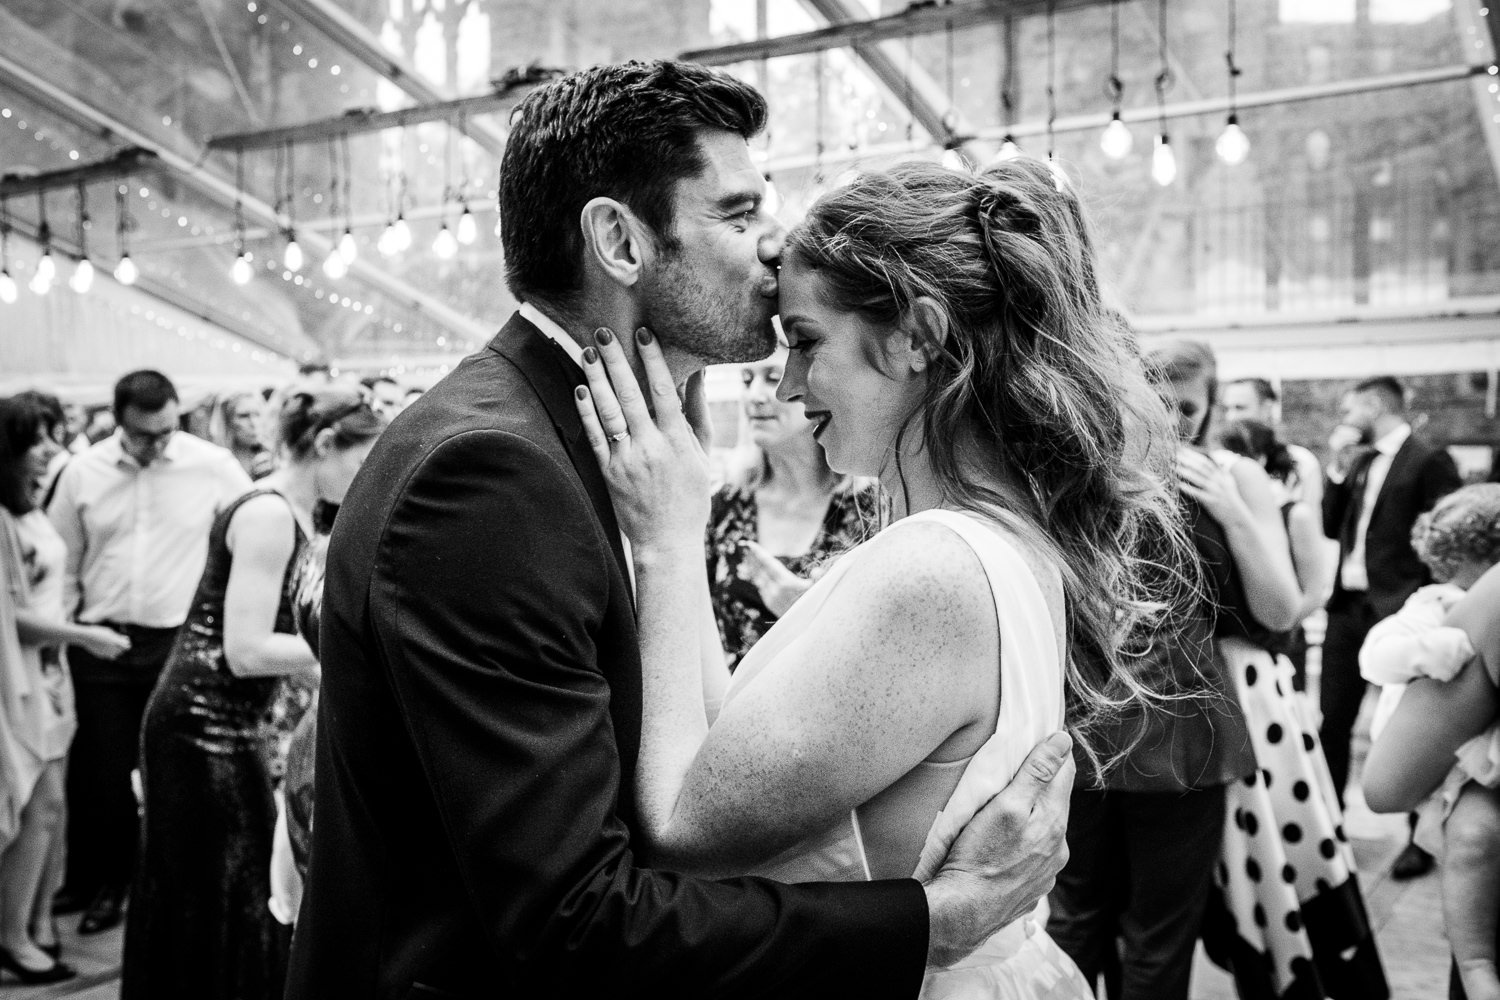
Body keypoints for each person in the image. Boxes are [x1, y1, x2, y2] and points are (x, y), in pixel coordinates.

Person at [288, 61, 1076, 1000]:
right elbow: (573, 915)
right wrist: (934, 921)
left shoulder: (605, 446)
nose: (774, 247)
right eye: (738, 216)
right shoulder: (491, 472)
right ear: (620, 239)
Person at [575, 157, 1199, 997]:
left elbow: (684, 831)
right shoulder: (988, 539)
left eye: (804, 341)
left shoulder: (933, 569)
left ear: (918, 336)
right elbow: (729, 752)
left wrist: (666, 542)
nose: (789, 385)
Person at [1049, 340, 1297, 1000]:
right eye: (1157, 402)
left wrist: (1231, 508)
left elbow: (1282, 609)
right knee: (1075, 923)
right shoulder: (1085, 470)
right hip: (1084, 724)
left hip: (1185, 729)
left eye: (1188, 408)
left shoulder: (1230, 473)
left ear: (1211, 407)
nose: (1172, 421)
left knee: (1160, 933)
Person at [121, 388, 381, 1000]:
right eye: (363, 460)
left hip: (230, 720)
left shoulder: (291, 511)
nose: (369, 476)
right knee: (222, 884)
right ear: (322, 445)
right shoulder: (267, 514)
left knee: (224, 885)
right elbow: (244, 649)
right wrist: (348, 650)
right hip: (202, 725)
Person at [45, 370, 251, 933]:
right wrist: (62, 638)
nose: (159, 443)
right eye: (145, 435)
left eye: (167, 430)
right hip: (100, 641)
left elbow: (253, 532)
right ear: (118, 422)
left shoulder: (210, 465)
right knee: (100, 774)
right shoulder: (80, 472)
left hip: (176, 642)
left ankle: (151, 886)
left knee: (169, 769)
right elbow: (63, 560)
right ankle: (97, 881)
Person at [0, 395, 130, 985]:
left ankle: (34, 923)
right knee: (35, 805)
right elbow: (8, 616)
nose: (52, 449)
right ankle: (14, 935)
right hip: (20, 676)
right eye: (39, 440)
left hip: (49, 673)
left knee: (49, 808)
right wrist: (84, 634)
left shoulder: (29, 505)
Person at [1360, 484, 1500, 1000]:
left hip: (1466, 755)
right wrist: (1429, 652)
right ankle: (1476, 961)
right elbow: (1377, 653)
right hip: (1459, 758)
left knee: (1474, 840)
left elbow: (1385, 787)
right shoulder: (1436, 604)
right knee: (1471, 842)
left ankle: (1477, 961)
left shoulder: (1479, 599)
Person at [1321, 375, 1461, 878]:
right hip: (1347, 609)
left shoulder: (1428, 460)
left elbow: (1444, 539)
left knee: (1408, 726)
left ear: (1377, 404)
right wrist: (1337, 471)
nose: (1344, 415)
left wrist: (1426, 606)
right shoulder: (1358, 460)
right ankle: (1329, 827)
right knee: (1332, 721)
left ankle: (1417, 839)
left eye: (1350, 406)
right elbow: (1327, 525)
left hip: (1402, 611)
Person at [707, 346, 881, 670]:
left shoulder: (870, 510)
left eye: (772, 377)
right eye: (747, 380)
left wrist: (809, 616)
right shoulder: (723, 507)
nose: (755, 396)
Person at [1218, 417, 1334, 689]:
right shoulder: (1227, 510)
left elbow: (1315, 593)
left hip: (1279, 639)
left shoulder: (1296, 514)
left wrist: (1275, 626)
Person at [1221, 377, 1323, 507]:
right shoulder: (1220, 461)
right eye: (1227, 409)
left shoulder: (1302, 462)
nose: (1231, 417)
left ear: (1266, 409)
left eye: (1240, 408)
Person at [207, 391, 275, 479]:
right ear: (227, 421)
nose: (253, 423)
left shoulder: (272, 458)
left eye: (257, 414)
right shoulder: (215, 462)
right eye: (244, 416)